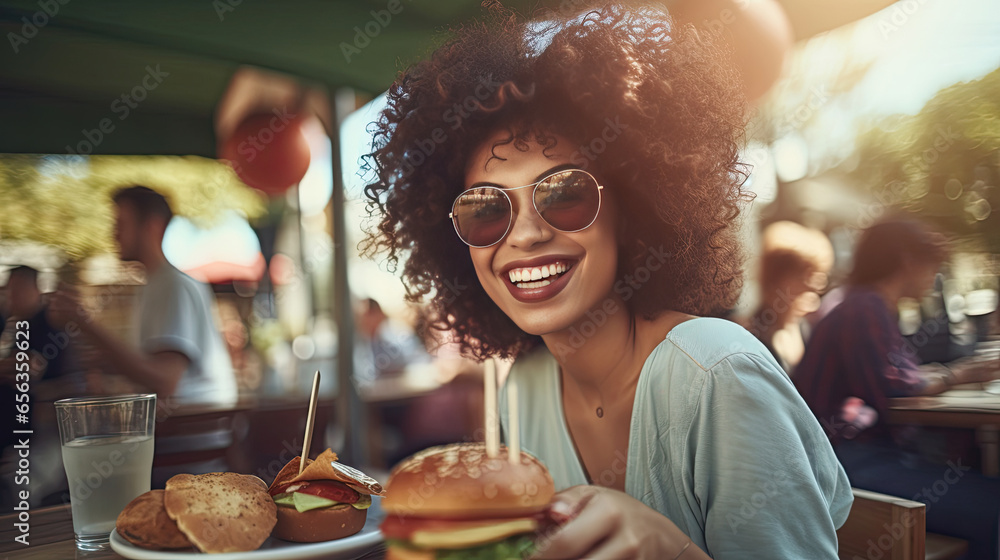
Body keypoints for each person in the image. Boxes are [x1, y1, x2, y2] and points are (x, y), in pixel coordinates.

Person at [361, 4, 851, 558]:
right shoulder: (521, 389)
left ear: (633, 207)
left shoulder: (717, 375)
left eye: (564, 193)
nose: (523, 236)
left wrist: (673, 551)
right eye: (485, 210)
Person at [795, 218, 1000, 559]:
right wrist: (958, 374)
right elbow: (894, 387)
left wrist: (947, 374)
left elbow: (897, 375)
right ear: (908, 259)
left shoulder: (859, 304)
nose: (933, 276)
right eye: (932, 264)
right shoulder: (865, 307)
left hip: (840, 462)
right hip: (850, 468)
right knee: (991, 502)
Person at [49, 186, 238, 407]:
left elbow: (165, 381)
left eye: (121, 224)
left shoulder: (173, 286)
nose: (114, 234)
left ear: (152, 226)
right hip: (184, 428)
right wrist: (108, 361)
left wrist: (84, 323)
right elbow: (153, 368)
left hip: (192, 430)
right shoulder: (156, 285)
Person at [745, 221, 834, 373]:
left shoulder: (804, 327)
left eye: (817, 275)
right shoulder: (753, 333)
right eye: (804, 275)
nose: (813, 284)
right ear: (777, 278)